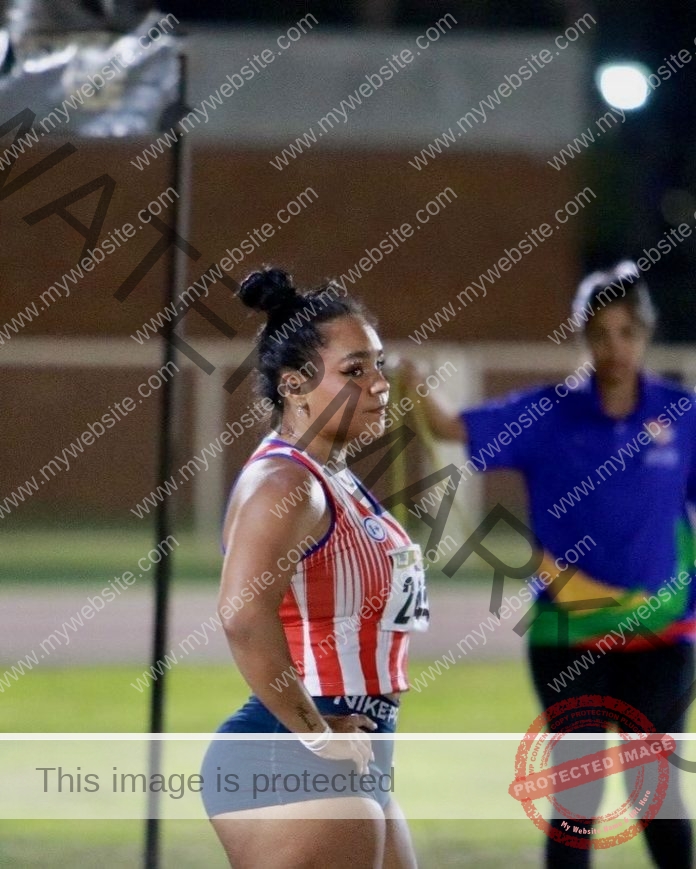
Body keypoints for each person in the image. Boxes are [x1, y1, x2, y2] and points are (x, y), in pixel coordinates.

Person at [402, 261, 695, 868]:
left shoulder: (682, 415)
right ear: (581, 336)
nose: (614, 347)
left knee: (657, 795)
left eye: (626, 333)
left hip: (663, 637)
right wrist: (411, 381)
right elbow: (448, 425)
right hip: (568, 634)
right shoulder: (547, 414)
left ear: (644, 335)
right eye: (600, 333)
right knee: (576, 801)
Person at [201, 267, 427, 869]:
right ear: (295, 385)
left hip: (352, 747)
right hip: (293, 748)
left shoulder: (336, 477)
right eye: (355, 371)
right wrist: (316, 733)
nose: (379, 384)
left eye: (379, 365)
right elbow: (242, 618)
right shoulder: (287, 483)